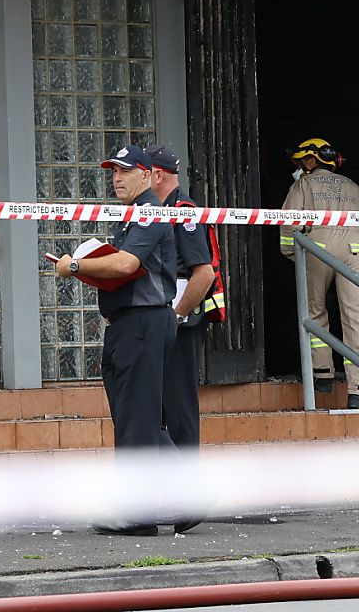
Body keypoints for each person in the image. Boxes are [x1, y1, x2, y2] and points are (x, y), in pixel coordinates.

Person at [54, 144, 177, 536]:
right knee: (132, 418)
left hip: (143, 322)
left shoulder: (149, 212)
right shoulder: (128, 217)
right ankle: (193, 492)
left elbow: (127, 264)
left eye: (125, 171)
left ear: (147, 175)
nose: (116, 178)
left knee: (137, 422)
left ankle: (138, 516)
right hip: (128, 325)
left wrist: (75, 265)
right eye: (113, 172)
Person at [279, 138, 359, 409]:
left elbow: (288, 223)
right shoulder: (355, 188)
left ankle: (322, 374)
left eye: (302, 162)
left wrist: (294, 254)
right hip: (354, 250)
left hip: (316, 249)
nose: (300, 167)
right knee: (357, 318)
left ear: (311, 161)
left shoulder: (303, 184)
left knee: (314, 312)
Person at [145, 144, 214, 448]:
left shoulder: (182, 212)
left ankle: (188, 487)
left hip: (181, 325)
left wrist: (174, 317)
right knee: (160, 407)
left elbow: (204, 274)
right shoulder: (159, 211)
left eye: (138, 173)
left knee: (179, 406)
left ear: (156, 175)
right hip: (164, 321)